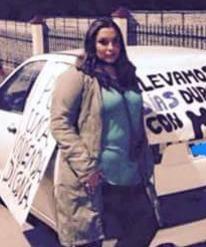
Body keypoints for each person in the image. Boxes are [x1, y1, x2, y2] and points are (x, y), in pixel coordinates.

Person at [50, 18, 161, 247]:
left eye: (115, 42)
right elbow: (60, 123)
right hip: (94, 178)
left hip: (130, 174)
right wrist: (86, 168)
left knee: (146, 224)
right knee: (88, 239)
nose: (110, 48)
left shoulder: (127, 75)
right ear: (92, 44)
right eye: (103, 42)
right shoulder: (78, 77)